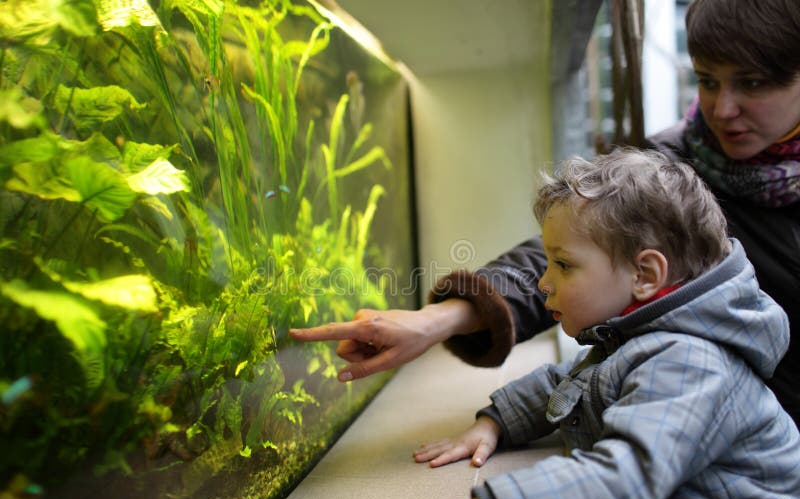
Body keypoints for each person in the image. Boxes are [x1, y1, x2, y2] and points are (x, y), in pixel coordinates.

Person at [289, 0, 800, 427]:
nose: (722, 107)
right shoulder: (674, 164)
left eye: (751, 84)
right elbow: (572, 252)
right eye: (708, 81)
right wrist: (438, 320)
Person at [417, 148, 799, 499]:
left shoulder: (692, 362)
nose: (543, 282)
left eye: (563, 264)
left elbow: (624, 478)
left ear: (645, 275)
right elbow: (568, 382)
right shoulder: (640, 341)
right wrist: (496, 423)